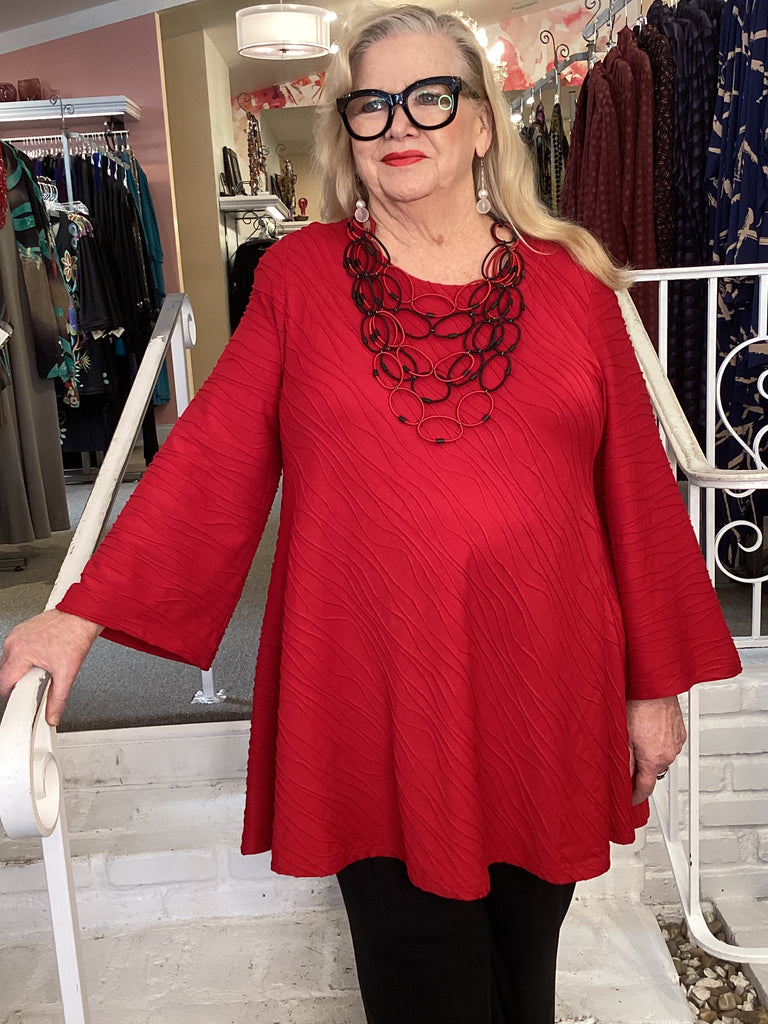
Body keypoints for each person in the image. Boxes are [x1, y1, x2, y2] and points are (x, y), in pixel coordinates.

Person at [0, 6, 741, 1023]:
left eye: (430, 97)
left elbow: (638, 501)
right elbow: (212, 456)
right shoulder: (297, 281)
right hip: (375, 695)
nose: (400, 122)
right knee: (421, 984)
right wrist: (81, 611)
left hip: (545, 687)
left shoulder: (574, 285)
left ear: (479, 123)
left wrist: (653, 690)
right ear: (345, 130)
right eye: (371, 103)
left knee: (523, 976)